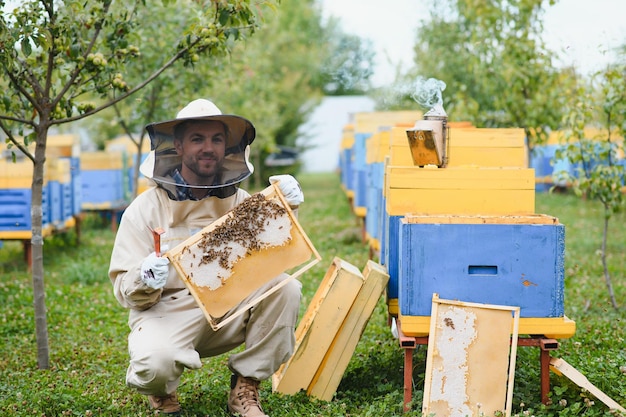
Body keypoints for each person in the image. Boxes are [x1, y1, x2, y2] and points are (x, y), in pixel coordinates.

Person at [108, 99, 304, 417]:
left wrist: (286, 205)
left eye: (216, 139)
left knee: (285, 289)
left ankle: (246, 386)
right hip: (167, 312)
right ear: (180, 146)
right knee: (154, 364)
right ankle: (160, 391)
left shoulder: (239, 200)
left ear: (227, 146)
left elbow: (274, 250)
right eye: (197, 139)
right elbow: (123, 286)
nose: (208, 148)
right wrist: (143, 276)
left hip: (226, 308)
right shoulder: (145, 209)